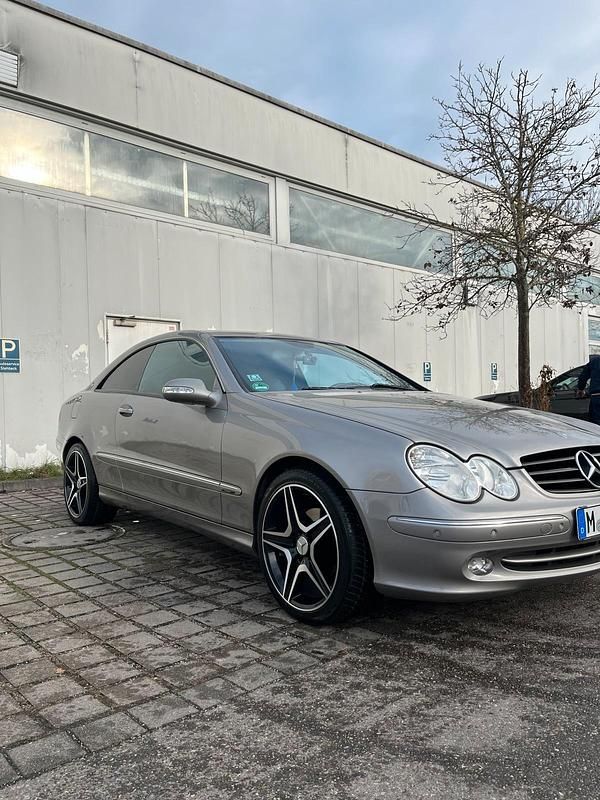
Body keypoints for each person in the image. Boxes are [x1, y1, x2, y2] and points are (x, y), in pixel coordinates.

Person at [577, 354, 600, 423]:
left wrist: (581, 389)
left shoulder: (595, 361)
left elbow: (583, 377)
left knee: (596, 424)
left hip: (597, 396)